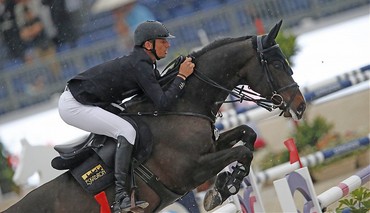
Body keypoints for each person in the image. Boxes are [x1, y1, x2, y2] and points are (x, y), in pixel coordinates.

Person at [58, 20, 195, 212]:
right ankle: (121, 197)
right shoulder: (141, 65)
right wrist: (181, 77)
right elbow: (163, 103)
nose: (168, 45)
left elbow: (158, 88)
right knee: (126, 130)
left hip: (86, 99)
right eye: (162, 41)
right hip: (74, 105)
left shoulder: (144, 63)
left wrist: (178, 73)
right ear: (149, 45)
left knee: (129, 124)